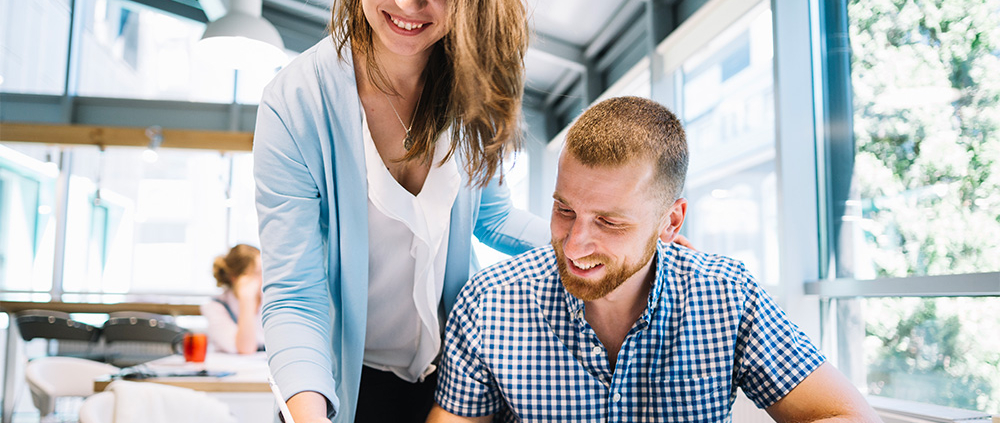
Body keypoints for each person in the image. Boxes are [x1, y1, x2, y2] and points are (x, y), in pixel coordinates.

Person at [428, 97, 882, 422]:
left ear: (671, 222)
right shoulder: (490, 301)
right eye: (564, 209)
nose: (574, 244)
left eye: (610, 222)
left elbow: (845, 414)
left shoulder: (724, 295)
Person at [252, 0, 549, 421]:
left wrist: (613, 245)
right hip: (336, 383)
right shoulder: (296, 102)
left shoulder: (474, 83)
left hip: (450, 381)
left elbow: (495, 218)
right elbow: (295, 297)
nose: (411, 4)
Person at [202, 244, 265, 354]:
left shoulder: (269, 301)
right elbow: (245, 349)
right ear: (235, 278)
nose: (263, 279)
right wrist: (246, 300)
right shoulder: (216, 307)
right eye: (256, 273)